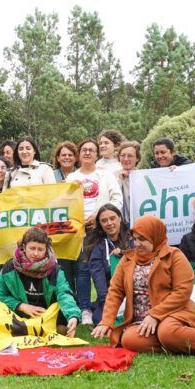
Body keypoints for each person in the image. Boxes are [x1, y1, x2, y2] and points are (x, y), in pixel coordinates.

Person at [91, 215, 195, 358]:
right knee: (129, 340)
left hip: (175, 313)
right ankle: (178, 343)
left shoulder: (174, 255)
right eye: (135, 239)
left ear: (155, 236)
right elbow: (115, 291)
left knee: (167, 331)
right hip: (142, 320)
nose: (137, 244)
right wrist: (106, 321)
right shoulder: (127, 260)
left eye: (143, 239)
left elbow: (182, 291)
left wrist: (155, 315)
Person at [65, 138, 123, 324]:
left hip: (101, 228)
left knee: (104, 267)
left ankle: (107, 304)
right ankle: (85, 310)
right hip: (78, 230)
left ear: (97, 155)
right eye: (84, 150)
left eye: (91, 150)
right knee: (82, 270)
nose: (88, 153)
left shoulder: (106, 175)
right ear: (79, 154)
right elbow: (63, 203)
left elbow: (116, 198)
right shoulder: (72, 178)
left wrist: (99, 216)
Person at [0, 226, 80, 336]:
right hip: (20, 312)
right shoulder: (10, 267)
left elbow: (64, 294)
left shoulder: (55, 269)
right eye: (32, 248)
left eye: (40, 249)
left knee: (71, 300)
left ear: (46, 249)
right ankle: (45, 329)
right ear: (24, 247)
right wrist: (21, 306)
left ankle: (36, 328)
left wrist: (73, 316)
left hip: (46, 313)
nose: (36, 254)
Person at [84, 204, 131, 324]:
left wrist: (124, 253)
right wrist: (110, 304)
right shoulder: (97, 247)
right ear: (100, 224)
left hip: (135, 293)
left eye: (112, 218)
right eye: (104, 221)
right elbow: (99, 280)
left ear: (120, 217)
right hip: (112, 295)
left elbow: (145, 257)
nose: (109, 223)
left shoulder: (133, 239)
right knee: (99, 319)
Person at [117, 140, 141, 215]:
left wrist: (175, 171)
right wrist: (120, 180)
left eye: (130, 156)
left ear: (137, 158)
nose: (126, 159)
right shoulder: (111, 176)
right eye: (123, 155)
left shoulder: (144, 176)